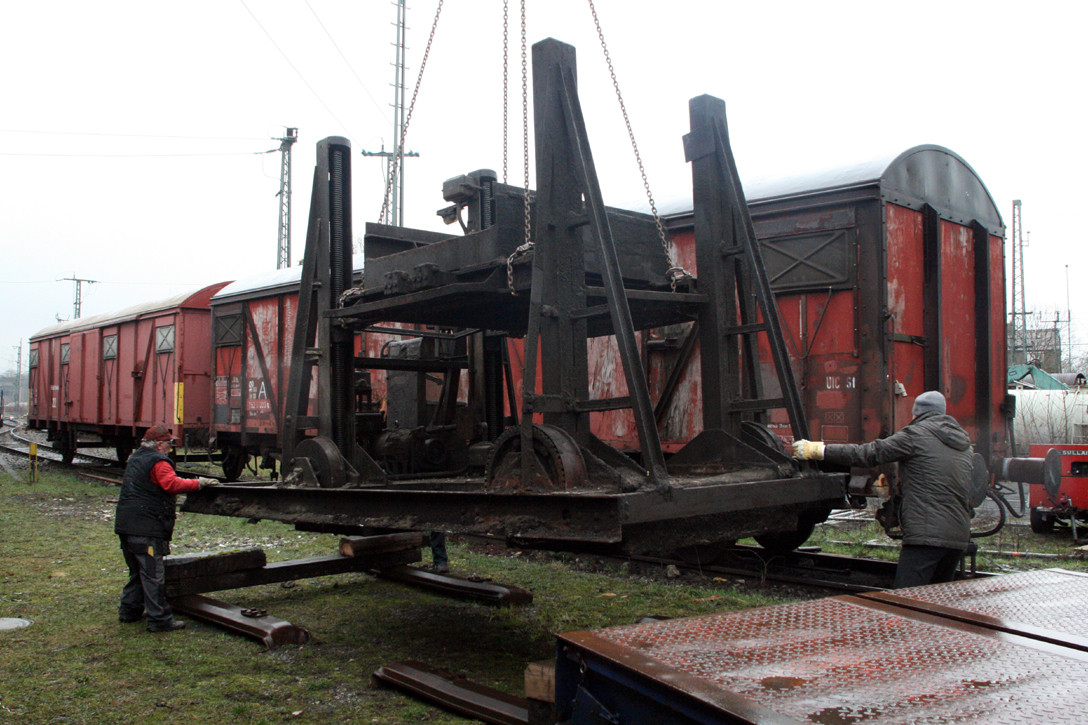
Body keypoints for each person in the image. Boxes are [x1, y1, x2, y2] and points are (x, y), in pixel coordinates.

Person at [792, 391, 973, 588]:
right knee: (938, 602)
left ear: (917, 414)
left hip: (926, 537)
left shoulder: (915, 435)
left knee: (906, 601)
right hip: (958, 537)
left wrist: (819, 450)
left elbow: (869, 454)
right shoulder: (964, 443)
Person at [114, 423, 218, 632]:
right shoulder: (159, 462)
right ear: (159, 444)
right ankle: (159, 620)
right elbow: (172, 485)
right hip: (145, 529)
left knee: (136, 571)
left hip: (125, 525)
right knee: (153, 575)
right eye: (169, 445)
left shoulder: (136, 458)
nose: (170, 448)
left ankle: (129, 611)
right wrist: (199, 483)